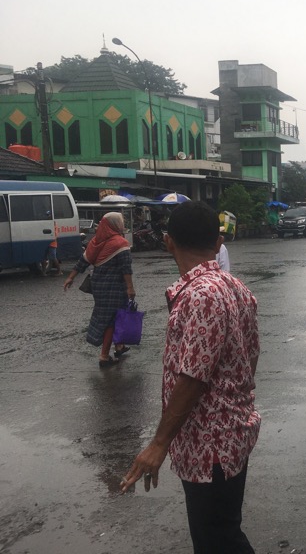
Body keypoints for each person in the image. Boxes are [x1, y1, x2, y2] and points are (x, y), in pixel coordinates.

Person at [120, 201, 260, 554]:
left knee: (217, 540)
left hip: (211, 443)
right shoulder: (234, 286)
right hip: (229, 434)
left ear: (168, 242)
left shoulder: (201, 295)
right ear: (217, 243)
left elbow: (193, 377)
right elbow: (250, 355)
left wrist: (158, 444)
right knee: (222, 533)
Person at [63, 212, 135, 368]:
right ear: (115, 225)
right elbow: (126, 269)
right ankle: (104, 356)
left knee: (113, 315)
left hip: (98, 286)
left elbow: (83, 262)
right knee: (111, 319)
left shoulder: (96, 242)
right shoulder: (120, 243)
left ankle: (119, 346)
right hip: (114, 286)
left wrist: (71, 277)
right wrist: (130, 288)